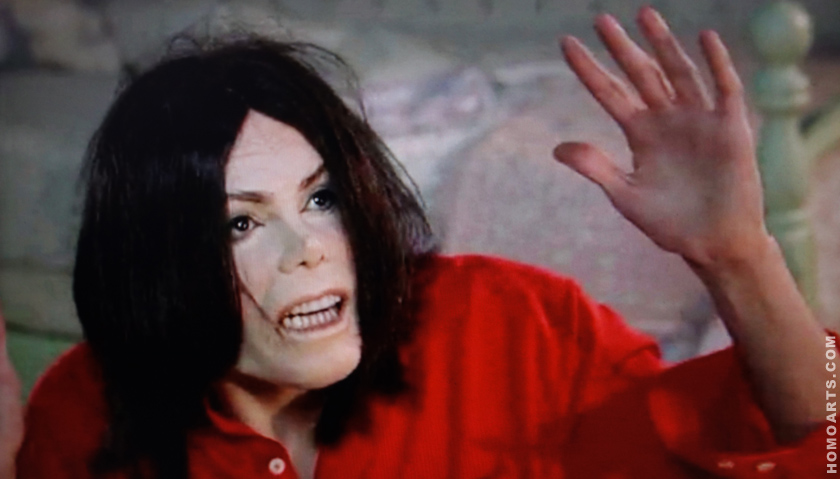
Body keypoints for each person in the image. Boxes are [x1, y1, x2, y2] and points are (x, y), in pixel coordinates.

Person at [0, 6, 831, 478]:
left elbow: (822, 439)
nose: (307, 248)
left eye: (322, 197)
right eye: (240, 222)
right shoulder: (85, 406)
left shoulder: (518, 323)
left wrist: (741, 257)